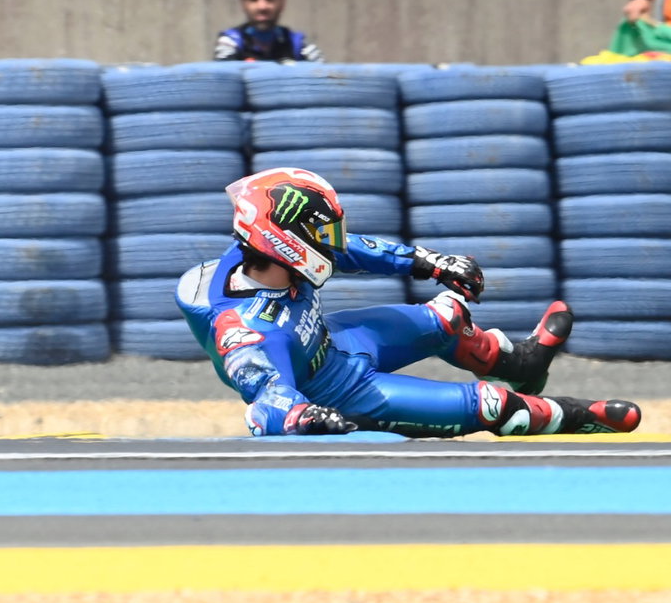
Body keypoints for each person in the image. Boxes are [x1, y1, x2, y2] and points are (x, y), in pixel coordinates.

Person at [177, 167, 642, 437]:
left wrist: (428, 262)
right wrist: (306, 417)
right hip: (337, 393)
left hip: (338, 340)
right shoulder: (247, 330)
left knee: (448, 313)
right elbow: (265, 403)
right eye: (320, 234)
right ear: (285, 242)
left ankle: (523, 363)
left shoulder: (260, 253)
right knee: (494, 405)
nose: (332, 243)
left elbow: (350, 248)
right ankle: (579, 416)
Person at [214, 0, 322, 61]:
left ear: (282, 3)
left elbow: (322, 75)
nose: (262, 7)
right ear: (243, 4)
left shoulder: (298, 44)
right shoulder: (230, 42)